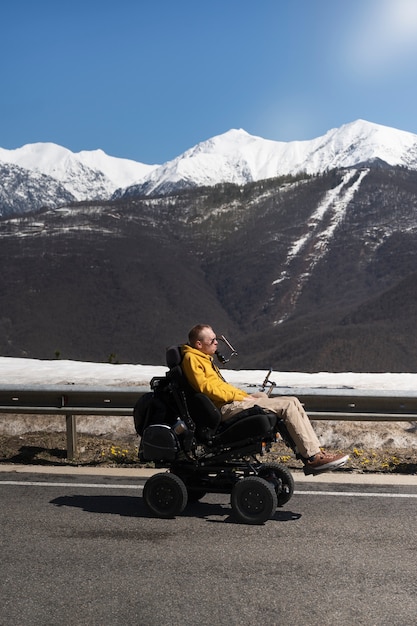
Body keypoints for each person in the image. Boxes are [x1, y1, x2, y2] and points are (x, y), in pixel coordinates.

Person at [181, 324, 349, 475]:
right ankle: (313, 458)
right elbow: (207, 389)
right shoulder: (192, 359)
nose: (217, 343)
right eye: (212, 340)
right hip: (224, 408)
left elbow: (221, 386)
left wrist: (245, 395)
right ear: (199, 344)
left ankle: (317, 451)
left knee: (293, 400)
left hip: (228, 402)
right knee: (287, 406)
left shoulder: (204, 359)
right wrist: (240, 397)